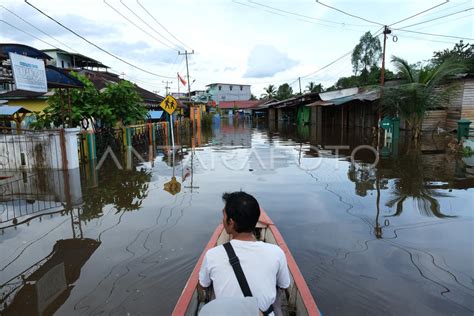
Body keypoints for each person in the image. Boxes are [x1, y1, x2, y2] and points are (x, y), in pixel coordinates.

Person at [199, 191, 290, 315]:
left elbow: (203, 285)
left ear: (231, 222)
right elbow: (284, 286)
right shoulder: (276, 253)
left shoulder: (212, 255)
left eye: (224, 216)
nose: (223, 219)